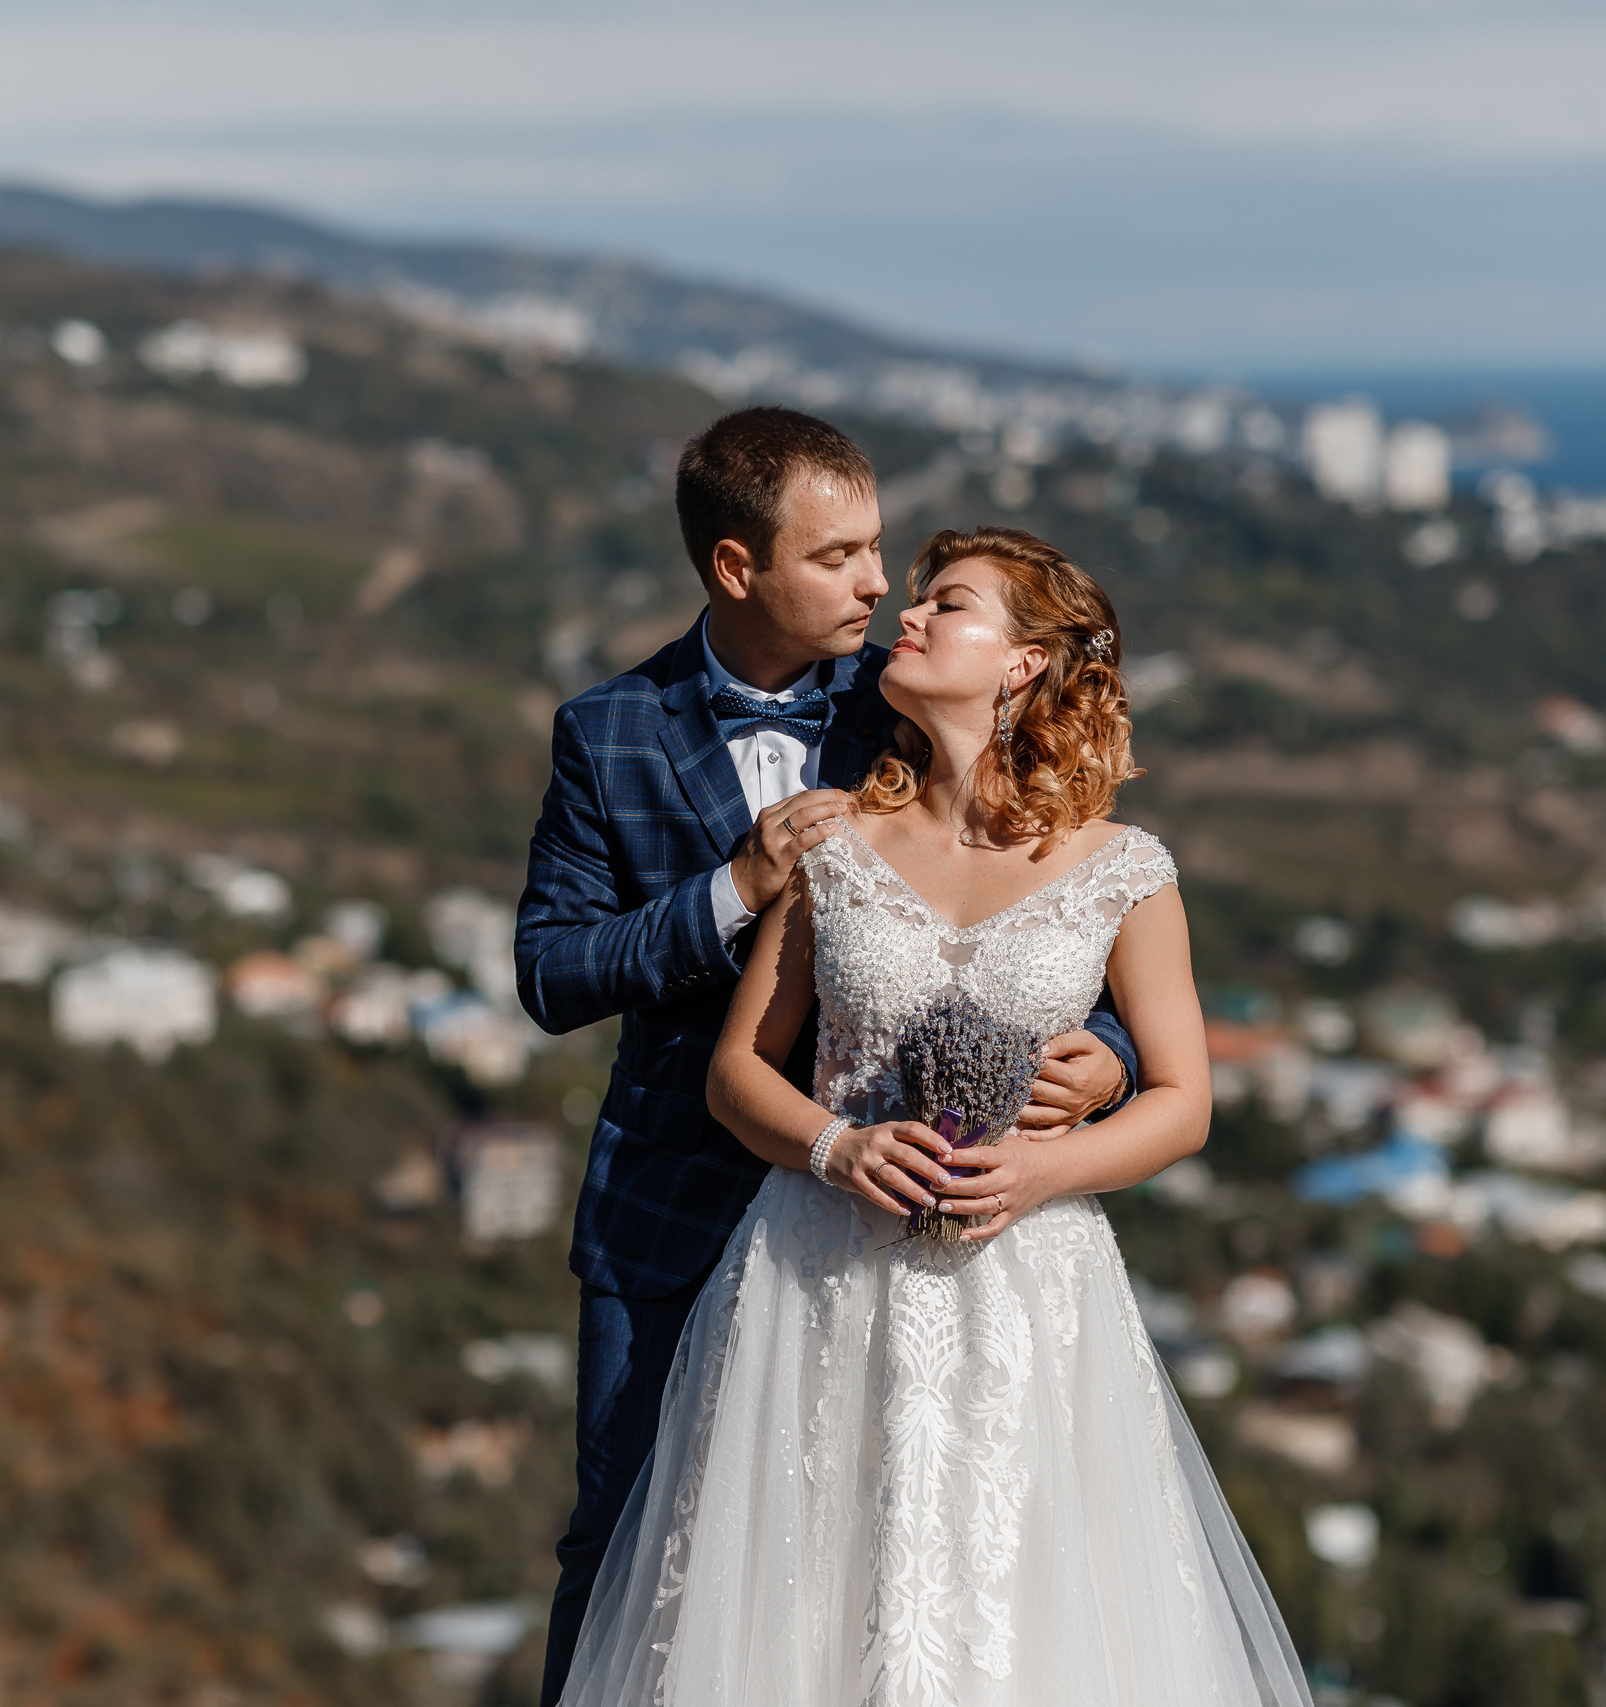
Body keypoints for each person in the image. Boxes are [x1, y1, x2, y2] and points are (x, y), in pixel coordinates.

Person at [551, 526, 1309, 1706]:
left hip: (1028, 1290)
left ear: (1022, 662)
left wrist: (1045, 1170)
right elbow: (737, 1070)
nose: (904, 617)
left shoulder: (1124, 869)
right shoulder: (833, 844)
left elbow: (1183, 1102)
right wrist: (835, 1146)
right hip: (815, 1274)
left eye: (945, 604)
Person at [516, 409, 1141, 1704]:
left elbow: (1061, 891)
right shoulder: (608, 730)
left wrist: (1111, 1054)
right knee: (627, 1551)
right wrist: (732, 890)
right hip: (677, 1205)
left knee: (890, 1553)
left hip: (906, 1224)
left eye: (880, 551)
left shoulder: (915, 688)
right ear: (737, 567)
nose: (878, 584)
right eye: (838, 555)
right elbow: (552, 972)